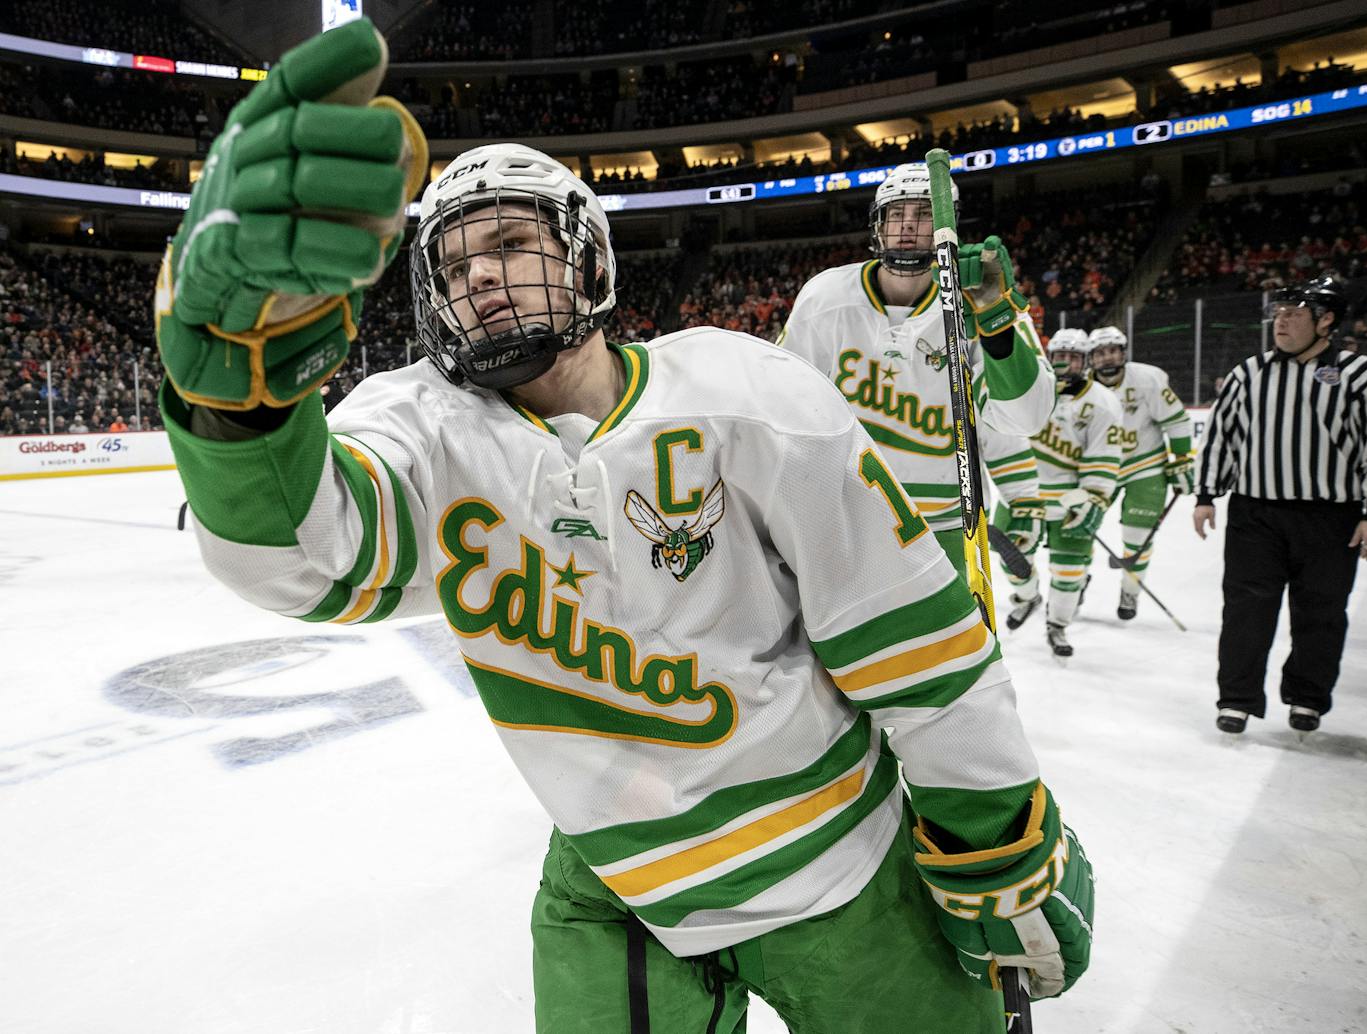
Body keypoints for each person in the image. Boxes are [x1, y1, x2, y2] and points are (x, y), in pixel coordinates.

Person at [153, 21, 1092, 1033]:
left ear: (588, 256)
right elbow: (296, 559)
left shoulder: (744, 392)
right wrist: (238, 410)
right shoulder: (417, 421)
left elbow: (914, 649)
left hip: (837, 856)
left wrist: (991, 838)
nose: (477, 274)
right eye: (455, 261)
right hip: (615, 878)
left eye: (510, 243)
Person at [777, 163, 1054, 582]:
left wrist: (997, 328)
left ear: (948, 227)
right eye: (896, 214)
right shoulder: (825, 296)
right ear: (879, 225)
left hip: (944, 530)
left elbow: (1024, 420)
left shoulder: (984, 305)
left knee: (949, 650)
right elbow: (782, 403)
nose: (907, 226)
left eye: (924, 214)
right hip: (844, 519)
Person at [1195, 275, 1367, 735]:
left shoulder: (1363, 375)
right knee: (1245, 611)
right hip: (1256, 514)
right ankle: (1236, 698)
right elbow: (1222, 438)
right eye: (1279, 312)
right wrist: (1207, 495)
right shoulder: (1248, 374)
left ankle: (1307, 697)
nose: (1282, 320)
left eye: (1295, 313)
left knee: (1321, 614)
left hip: (1332, 518)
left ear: (1326, 320)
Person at [996, 329, 1123, 658]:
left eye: (1073, 357)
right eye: (1060, 356)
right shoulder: (1031, 391)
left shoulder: (1102, 402)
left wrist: (1094, 498)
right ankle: (1028, 597)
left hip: (1071, 500)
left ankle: (1058, 623)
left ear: (1085, 361)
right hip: (1024, 494)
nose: (1065, 363)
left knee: (1069, 572)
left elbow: (1103, 458)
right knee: (1011, 561)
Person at [1086, 325, 1192, 619]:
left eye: (1112, 351)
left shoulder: (1148, 379)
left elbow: (1176, 419)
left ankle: (1130, 591)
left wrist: (1181, 459)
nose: (1107, 358)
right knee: (1079, 529)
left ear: (1123, 352)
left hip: (1145, 464)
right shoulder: (1082, 387)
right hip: (1100, 467)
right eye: (1100, 353)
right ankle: (1075, 581)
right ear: (1090, 358)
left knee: (1137, 535)